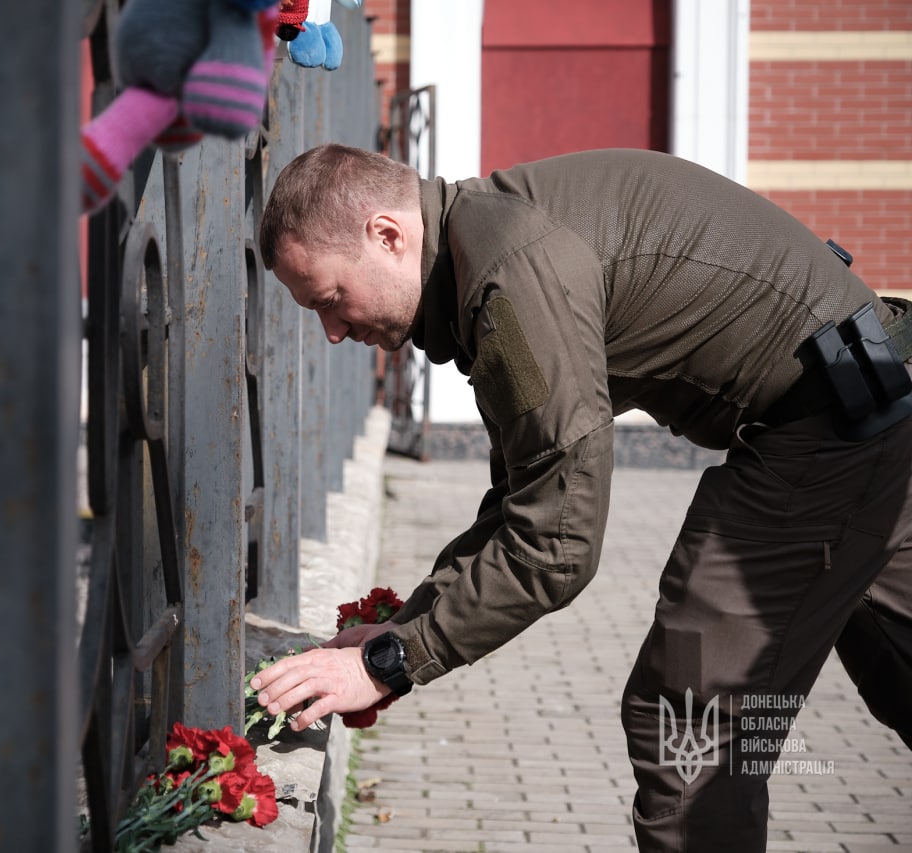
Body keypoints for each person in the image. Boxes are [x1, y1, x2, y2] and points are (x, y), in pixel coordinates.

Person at [248, 142, 912, 851]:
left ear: (387, 234)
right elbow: (524, 496)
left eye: (330, 299)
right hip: (873, 395)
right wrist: (402, 627)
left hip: (831, 429)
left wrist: (387, 664)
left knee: (688, 717)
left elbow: (557, 544)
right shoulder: (489, 242)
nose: (334, 331)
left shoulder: (512, 277)